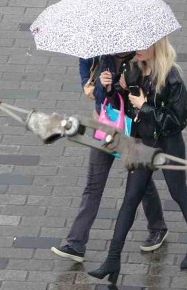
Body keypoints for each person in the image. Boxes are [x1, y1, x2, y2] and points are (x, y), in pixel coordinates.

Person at [88, 37, 187, 283]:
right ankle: (113, 258)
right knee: (130, 198)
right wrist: (111, 88)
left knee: (178, 192)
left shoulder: (170, 76)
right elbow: (126, 106)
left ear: (155, 47)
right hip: (142, 142)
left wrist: (145, 107)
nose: (136, 50)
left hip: (168, 142)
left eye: (142, 45)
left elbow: (179, 119)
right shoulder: (132, 68)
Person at [51, 52, 168, 263]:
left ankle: (157, 226)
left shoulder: (142, 56)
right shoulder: (94, 54)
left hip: (132, 128)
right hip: (106, 124)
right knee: (94, 184)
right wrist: (101, 87)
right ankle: (75, 243)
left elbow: (149, 98)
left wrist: (126, 86)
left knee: (140, 182)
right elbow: (93, 93)